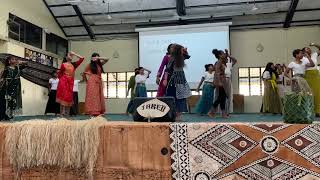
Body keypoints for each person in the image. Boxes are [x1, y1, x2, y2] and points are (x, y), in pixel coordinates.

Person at [284, 49, 315, 123]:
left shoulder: (304, 62)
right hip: (296, 80)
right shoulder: (292, 63)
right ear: (296, 55)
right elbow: (285, 73)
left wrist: (308, 57)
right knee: (297, 96)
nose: (302, 55)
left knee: (306, 96)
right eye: (301, 53)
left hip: (303, 80)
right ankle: (295, 115)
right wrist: (291, 78)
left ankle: (303, 115)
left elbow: (313, 65)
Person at [163, 44, 191, 121]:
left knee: (181, 97)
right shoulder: (171, 58)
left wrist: (185, 51)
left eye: (173, 48)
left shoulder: (181, 56)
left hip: (181, 79)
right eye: (171, 48)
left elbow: (187, 56)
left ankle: (178, 116)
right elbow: (167, 70)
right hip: (173, 79)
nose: (171, 49)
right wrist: (165, 79)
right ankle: (173, 115)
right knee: (172, 96)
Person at [56, 51, 84, 117]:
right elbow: (60, 74)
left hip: (70, 82)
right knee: (63, 96)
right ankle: (62, 113)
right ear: (66, 57)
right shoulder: (63, 64)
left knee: (69, 97)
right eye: (69, 55)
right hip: (63, 81)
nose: (70, 56)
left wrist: (75, 54)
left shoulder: (74, 65)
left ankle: (67, 114)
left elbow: (82, 58)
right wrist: (61, 81)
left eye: (71, 55)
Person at [0, 56, 27, 120]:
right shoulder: (7, 68)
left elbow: (26, 64)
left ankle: (10, 115)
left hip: (15, 87)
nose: (14, 60)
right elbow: (2, 78)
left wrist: (20, 62)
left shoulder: (17, 68)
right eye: (12, 59)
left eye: (15, 59)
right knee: (6, 101)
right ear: (9, 61)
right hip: (7, 87)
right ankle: (3, 115)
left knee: (13, 102)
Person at [208, 49, 228, 118]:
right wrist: (219, 82)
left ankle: (223, 113)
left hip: (222, 80)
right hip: (220, 80)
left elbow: (226, 58)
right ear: (219, 55)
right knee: (221, 97)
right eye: (223, 54)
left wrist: (227, 52)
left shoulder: (222, 61)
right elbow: (217, 72)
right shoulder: (219, 62)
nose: (224, 55)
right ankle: (211, 112)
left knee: (223, 97)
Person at [302, 43, 320, 116]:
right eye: (307, 49)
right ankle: (309, 111)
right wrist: (307, 57)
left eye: (309, 48)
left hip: (316, 75)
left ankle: (318, 111)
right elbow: (309, 65)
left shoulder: (314, 55)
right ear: (304, 52)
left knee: (317, 93)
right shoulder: (303, 59)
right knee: (308, 93)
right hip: (308, 75)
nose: (309, 49)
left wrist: (314, 44)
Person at [224, 49, 237, 116]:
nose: (226, 59)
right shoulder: (219, 65)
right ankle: (222, 111)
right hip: (222, 81)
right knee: (222, 97)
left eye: (227, 58)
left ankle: (227, 112)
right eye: (225, 58)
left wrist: (228, 55)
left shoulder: (228, 65)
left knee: (228, 97)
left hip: (228, 81)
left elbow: (235, 60)